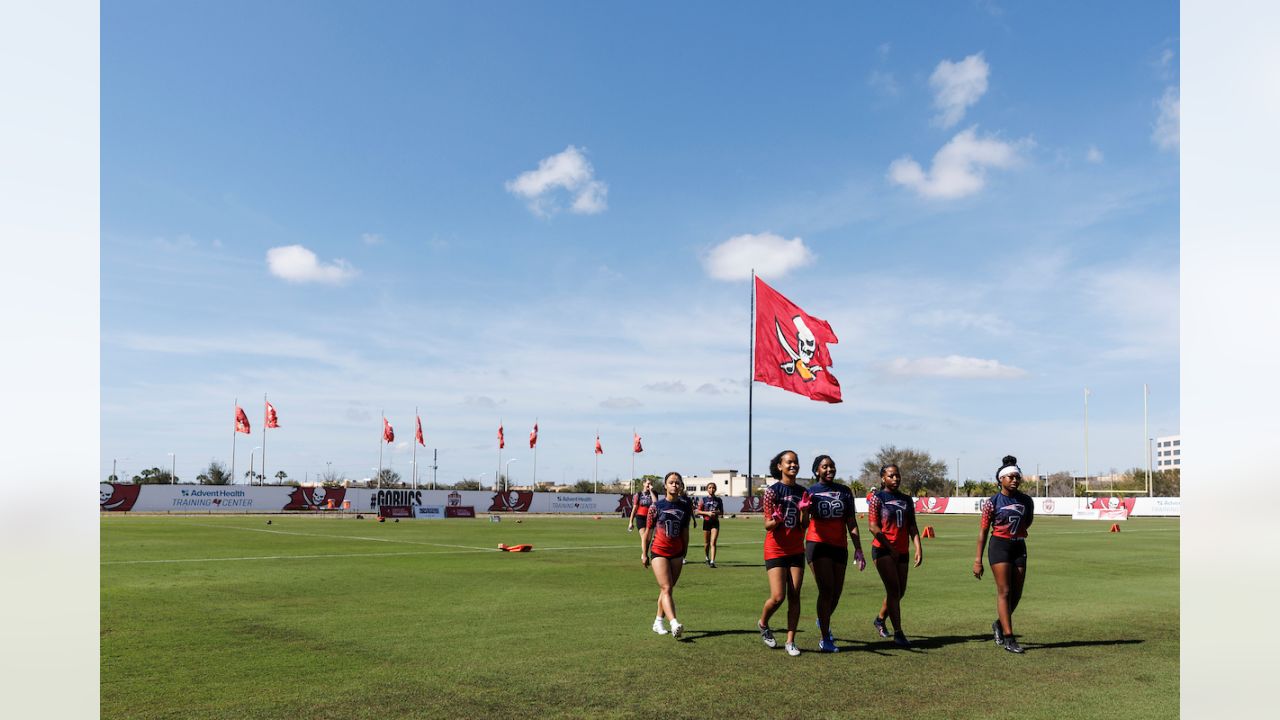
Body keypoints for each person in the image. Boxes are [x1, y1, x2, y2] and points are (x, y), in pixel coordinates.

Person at [973, 455, 1035, 654]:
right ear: (1001, 479)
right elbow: (983, 531)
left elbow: (1028, 522)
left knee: (1016, 594)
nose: (1015, 480)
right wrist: (977, 560)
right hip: (999, 546)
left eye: (1017, 476)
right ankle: (1009, 638)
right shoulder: (992, 502)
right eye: (1010, 477)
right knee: (1005, 591)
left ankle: (999, 624)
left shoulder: (1026, 500)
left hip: (1019, 546)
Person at [804, 455, 866, 653]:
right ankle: (825, 638)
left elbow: (851, 523)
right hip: (817, 544)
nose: (829, 469)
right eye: (824, 466)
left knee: (836, 594)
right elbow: (803, 522)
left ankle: (822, 619)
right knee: (826, 590)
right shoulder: (810, 491)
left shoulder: (845, 491)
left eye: (832, 466)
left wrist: (858, 548)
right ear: (816, 471)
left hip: (839, 546)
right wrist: (803, 510)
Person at [757, 450, 809, 657]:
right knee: (778, 597)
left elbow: (804, 525)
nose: (793, 465)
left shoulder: (803, 491)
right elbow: (768, 526)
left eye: (796, 462)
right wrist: (776, 520)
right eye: (789, 462)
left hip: (796, 548)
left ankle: (790, 641)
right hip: (776, 548)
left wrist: (805, 510)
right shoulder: (772, 492)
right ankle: (763, 623)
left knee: (795, 595)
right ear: (780, 466)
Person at [867, 464, 922, 648]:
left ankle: (880, 619)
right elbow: (873, 527)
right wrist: (889, 547)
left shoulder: (906, 499)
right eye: (891, 476)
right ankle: (898, 633)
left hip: (902, 551)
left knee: (900, 592)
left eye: (897, 475)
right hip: (882, 550)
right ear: (883, 478)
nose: (895, 479)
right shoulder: (878, 498)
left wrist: (918, 548)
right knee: (893, 590)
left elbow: (912, 526)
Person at [643, 472, 693, 639]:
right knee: (666, 588)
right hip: (659, 552)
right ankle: (674, 623)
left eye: (678, 483)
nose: (674, 485)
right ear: (665, 486)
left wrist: (684, 552)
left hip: (677, 553)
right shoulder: (656, 507)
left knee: (666, 590)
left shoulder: (685, 506)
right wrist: (644, 553)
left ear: (681, 487)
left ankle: (658, 621)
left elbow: (685, 533)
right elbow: (648, 533)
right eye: (671, 482)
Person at [696, 482, 725, 567]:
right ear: (707, 489)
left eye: (713, 488)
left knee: (713, 542)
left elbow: (722, 512)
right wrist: (707, 513)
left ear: (715, 489)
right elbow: (698, 511)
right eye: (709, 487)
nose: (711, 489)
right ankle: (706, 557)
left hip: (715, 523)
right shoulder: (703, 499)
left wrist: (716, 512)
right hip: (706, 522)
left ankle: (712, 561)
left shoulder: (719, 500)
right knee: (706, 543)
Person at [630, 478, 658, 562]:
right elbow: (634, 509)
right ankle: (645, 555)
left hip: (651, 517)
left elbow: (655, 503)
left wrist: (651, 491)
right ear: (644, 484)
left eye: (651, 483)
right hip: (640, 517)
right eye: (648, 483)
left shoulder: (654, 493)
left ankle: (644, 553)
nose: (649, 485)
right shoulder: (638, 494)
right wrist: (630, 522)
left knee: (648, 538)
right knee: (644, 537)